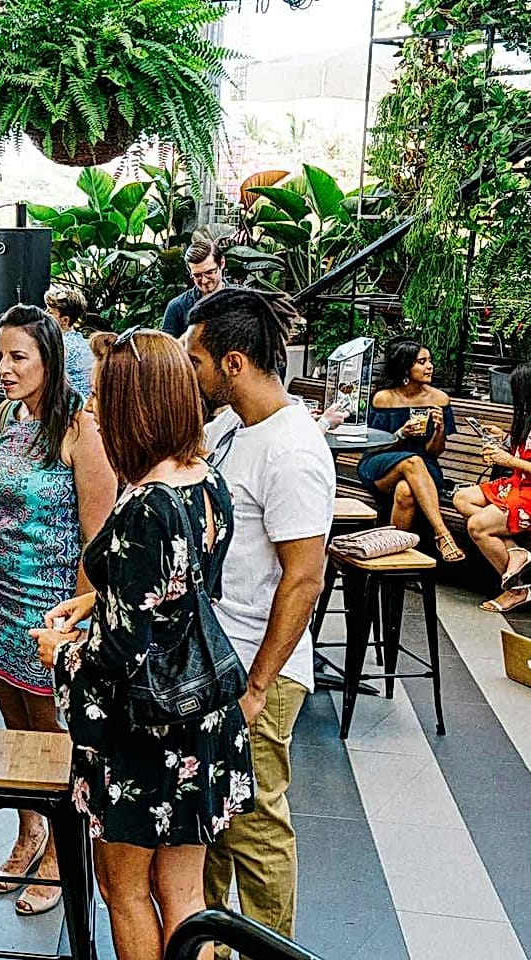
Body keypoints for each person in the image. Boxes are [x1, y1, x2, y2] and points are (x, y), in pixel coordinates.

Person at [32, 328, 253, 960]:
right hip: (200, 713)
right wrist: (99, 598)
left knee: (124, 887)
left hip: (143, 731)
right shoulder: (206, 481)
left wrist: (60, 653)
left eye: (103, 398)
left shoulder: (145, 505)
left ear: (135, 406)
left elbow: (122, 652)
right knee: (185, 891)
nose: (93, 410)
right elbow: (179, 593)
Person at [0, 304, 116, 916]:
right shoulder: (3, 420)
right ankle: (28, 827)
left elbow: (98, 538)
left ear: (49, 359)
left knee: (54, 735)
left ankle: (62, 847)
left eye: (19, 356)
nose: (5, 366)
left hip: (51, 610)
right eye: (0, 355)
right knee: (16, 727)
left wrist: (76, 618)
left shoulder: (80, 427)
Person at [184, 288, 333, 951]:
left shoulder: (292, 451)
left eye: (196, 359)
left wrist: (257, 689)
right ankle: (211, 942)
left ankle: (272, 948)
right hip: (217, 656)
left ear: (233, 362)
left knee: (254, 824)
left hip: (256, 668)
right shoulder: (230, 430)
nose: (192, 371)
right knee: (212, 819)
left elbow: (303, 577)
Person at [357, 339, 465, 562]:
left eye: (430, 361)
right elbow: (373, 444)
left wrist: (439, 430)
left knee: (406, 492)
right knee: (412, 461)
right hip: (381, 464)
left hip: (424, 468)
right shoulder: (384, 398)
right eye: (422, 362)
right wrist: (401, 434)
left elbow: (434, 452)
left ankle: (392, 558)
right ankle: (442, 534)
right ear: (406, 367)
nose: (430, 366)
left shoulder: (438, 399)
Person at [454, 362, 531, 612]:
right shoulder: (528, 416)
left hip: (529, 494)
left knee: (478, 526)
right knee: (462, 499)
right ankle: (514, 551)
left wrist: (508, 461)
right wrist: (505, 439)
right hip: (517, 484)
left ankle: (516, 590)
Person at [162, 239, 226, 338]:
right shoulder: (177, 307)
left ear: (221, 263)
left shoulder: (244, 300)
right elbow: (167, 350)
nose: (204, 280)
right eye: (197, 275)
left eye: (209, 272)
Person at [45, 285, 93, 397]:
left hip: (69, 406)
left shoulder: (60, 345)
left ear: (65, 321)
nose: (44, 315)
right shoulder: (81, 340)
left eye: (50, 313)